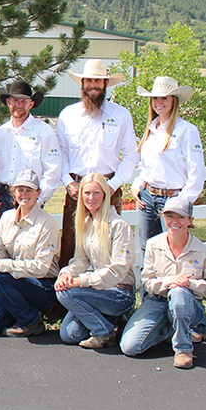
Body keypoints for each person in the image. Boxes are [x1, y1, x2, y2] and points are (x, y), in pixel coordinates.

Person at [55, 59, 139, 266]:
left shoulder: (121, 115)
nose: (93, 85)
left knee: (109, 241)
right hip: (77, 188)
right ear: (82, 83)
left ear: (106, 84)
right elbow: (60, 154)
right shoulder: (68, 115)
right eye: (89, 80)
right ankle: (65, 294)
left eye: (98, 81)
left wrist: (112, 186)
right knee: (71, 242)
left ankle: (109, 290)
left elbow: (131, 156)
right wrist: (68, 182)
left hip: (109, 188)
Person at [121, 198, 206, 369]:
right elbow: (146, 281)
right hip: (158, 300)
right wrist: (170, 281)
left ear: (190, 220)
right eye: (169, 216)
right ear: (163, 217)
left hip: (188, 302)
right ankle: (172, 326)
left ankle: (183, 348)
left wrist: (189, 285)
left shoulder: (201, 250)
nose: (175, 222)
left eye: (181, 217)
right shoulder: (153, 245)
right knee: (130, 347)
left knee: (179, 292)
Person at [55, 173, 137, 349]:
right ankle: (112, 320)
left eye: (96, 193)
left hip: (119, 292)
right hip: (100, 290)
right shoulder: (85, 222)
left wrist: (81, 281)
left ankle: (103, 332)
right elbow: (80, 259)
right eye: (87, 193)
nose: (91, 198)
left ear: (105, 195)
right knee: (69, 334)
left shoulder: (118, 225)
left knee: (66, 293)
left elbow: (119, 269)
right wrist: (66, 274)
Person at [0, 170, 60, 337]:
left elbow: (41, 268)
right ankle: (22, 310)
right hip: (14, 284)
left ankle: (30, 321)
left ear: (38, 193)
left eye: (29, 190)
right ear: (13, 192)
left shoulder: (46, 223)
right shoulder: (7, 217)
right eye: (20, 190)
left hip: (42, 286)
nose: (24, 194)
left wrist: (2, 265)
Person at [129, 76, 205, 248]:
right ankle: (147, 276)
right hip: (148, 197)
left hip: (173, 198)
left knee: (173, 247)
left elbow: (197, 171)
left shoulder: (187, 131)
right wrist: (137, 185)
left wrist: (182, 201)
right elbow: (147, 167)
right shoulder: (152, 130)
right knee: (147, 247)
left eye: (164, 98)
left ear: (174, 101)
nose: (158, 102)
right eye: (155, 98)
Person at [0, 81, 61, 217]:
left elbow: (53, 169)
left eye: (23, 101)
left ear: (31, 104)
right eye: (15, 101)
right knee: (5, 237)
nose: (19, 105)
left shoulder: (44, 132)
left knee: (31, 237)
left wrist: (39, 199)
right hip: (5, 196)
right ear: (8, 102)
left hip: (31, 196)